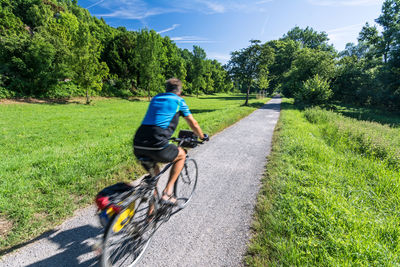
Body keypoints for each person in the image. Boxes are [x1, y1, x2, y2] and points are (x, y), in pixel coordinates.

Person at [133, 78, 209, 205]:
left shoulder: (156, 98)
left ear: (166, 90)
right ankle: (168, 193)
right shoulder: (179, 101)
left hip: (138, 143)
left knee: (154, 176)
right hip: (157, 143)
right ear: (179, 91)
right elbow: (193, 123)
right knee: (182, 155)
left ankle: (150, 215)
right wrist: (202, 136)